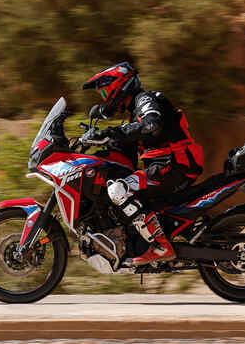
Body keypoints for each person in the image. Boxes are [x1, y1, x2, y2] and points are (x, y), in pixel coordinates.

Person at [82, 62, 204, 265]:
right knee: (115, 183)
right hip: (165, 166)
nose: (105, 99)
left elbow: (151, 123)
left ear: (119, 87)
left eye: (105, 92)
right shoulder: (134, 114)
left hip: (175, 163)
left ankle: (161, 246)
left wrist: (110, 132)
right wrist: (95, 148)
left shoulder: (145, 99)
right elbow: (125, 149)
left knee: (118, 190)